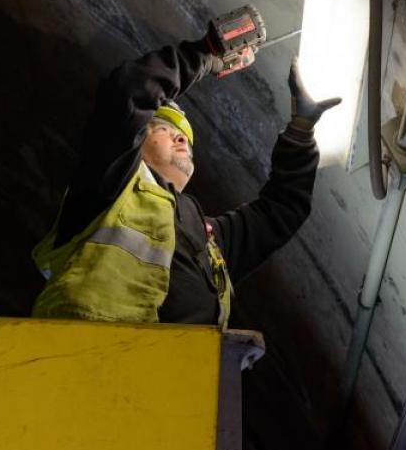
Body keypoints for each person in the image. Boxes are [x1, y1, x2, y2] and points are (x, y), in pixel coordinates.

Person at [30, 27, 339, 328]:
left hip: (175, 374)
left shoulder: (205, 238)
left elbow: (280, 211)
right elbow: (129, 91)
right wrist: (206, 53)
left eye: (186, 139)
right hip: (85, 355)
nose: (181, 140)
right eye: (165, 130)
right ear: (136, 141)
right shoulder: (109, 182)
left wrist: (300, 131)